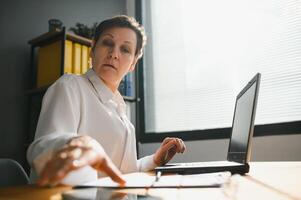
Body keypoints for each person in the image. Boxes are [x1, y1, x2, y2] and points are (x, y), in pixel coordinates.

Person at [27, 15, 186, 187]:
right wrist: (76, 144)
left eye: (125, 49)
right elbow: (42, 148)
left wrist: (155, 160)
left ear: (133, 63)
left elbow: (123, 173)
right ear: (92, 48)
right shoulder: (70, 86)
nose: (114, 54)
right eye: (107, 43)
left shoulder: (122, 110)